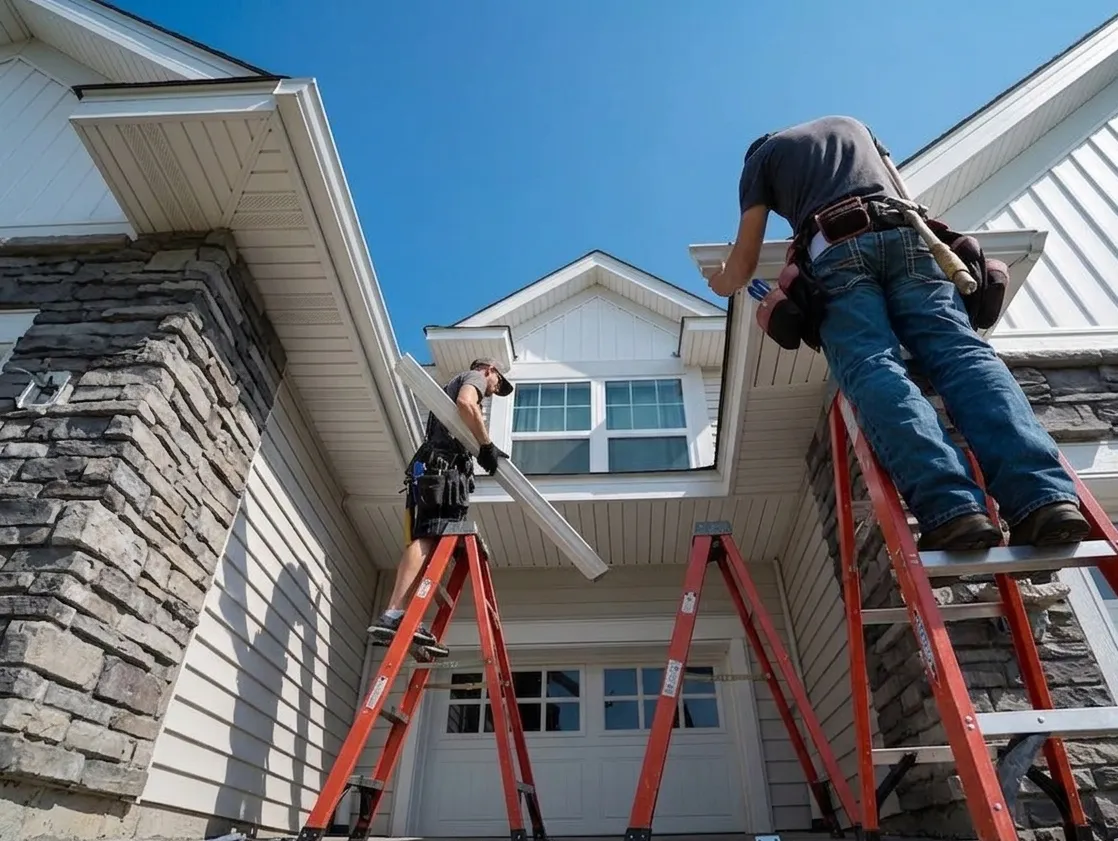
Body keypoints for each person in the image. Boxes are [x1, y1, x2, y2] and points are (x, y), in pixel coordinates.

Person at [706, 115, 1089, 552]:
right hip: (912, 237)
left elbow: (745, 262)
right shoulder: (853, 126)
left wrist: (720, 281)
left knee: (874, 367)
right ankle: (1044, 499)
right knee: (964, 355)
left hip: (837, 252)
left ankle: (955, 510)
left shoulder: (762, 160)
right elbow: (905, 194)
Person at [367, 358, 513, 653]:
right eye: (498, 384)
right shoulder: (476, 376)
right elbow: (466, 404)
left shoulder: (461, 384)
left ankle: (401, 616)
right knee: (426, 539)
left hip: (440, 473)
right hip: (442, 473)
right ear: (491, 369)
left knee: (433, 545)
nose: (495, 390)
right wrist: (486, 446)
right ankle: (393, 613)